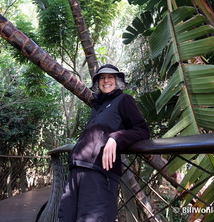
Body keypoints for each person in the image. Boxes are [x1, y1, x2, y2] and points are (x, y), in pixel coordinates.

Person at [58, 64, 150, 222]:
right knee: (66, 216)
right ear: (97, 82)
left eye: (110, 77)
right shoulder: (97, 106)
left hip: (100, 172)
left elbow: (142, 130)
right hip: (77, 170)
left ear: (117, 81)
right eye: (102, 77)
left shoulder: (124, 100)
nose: (106, 80)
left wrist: (116, 138)